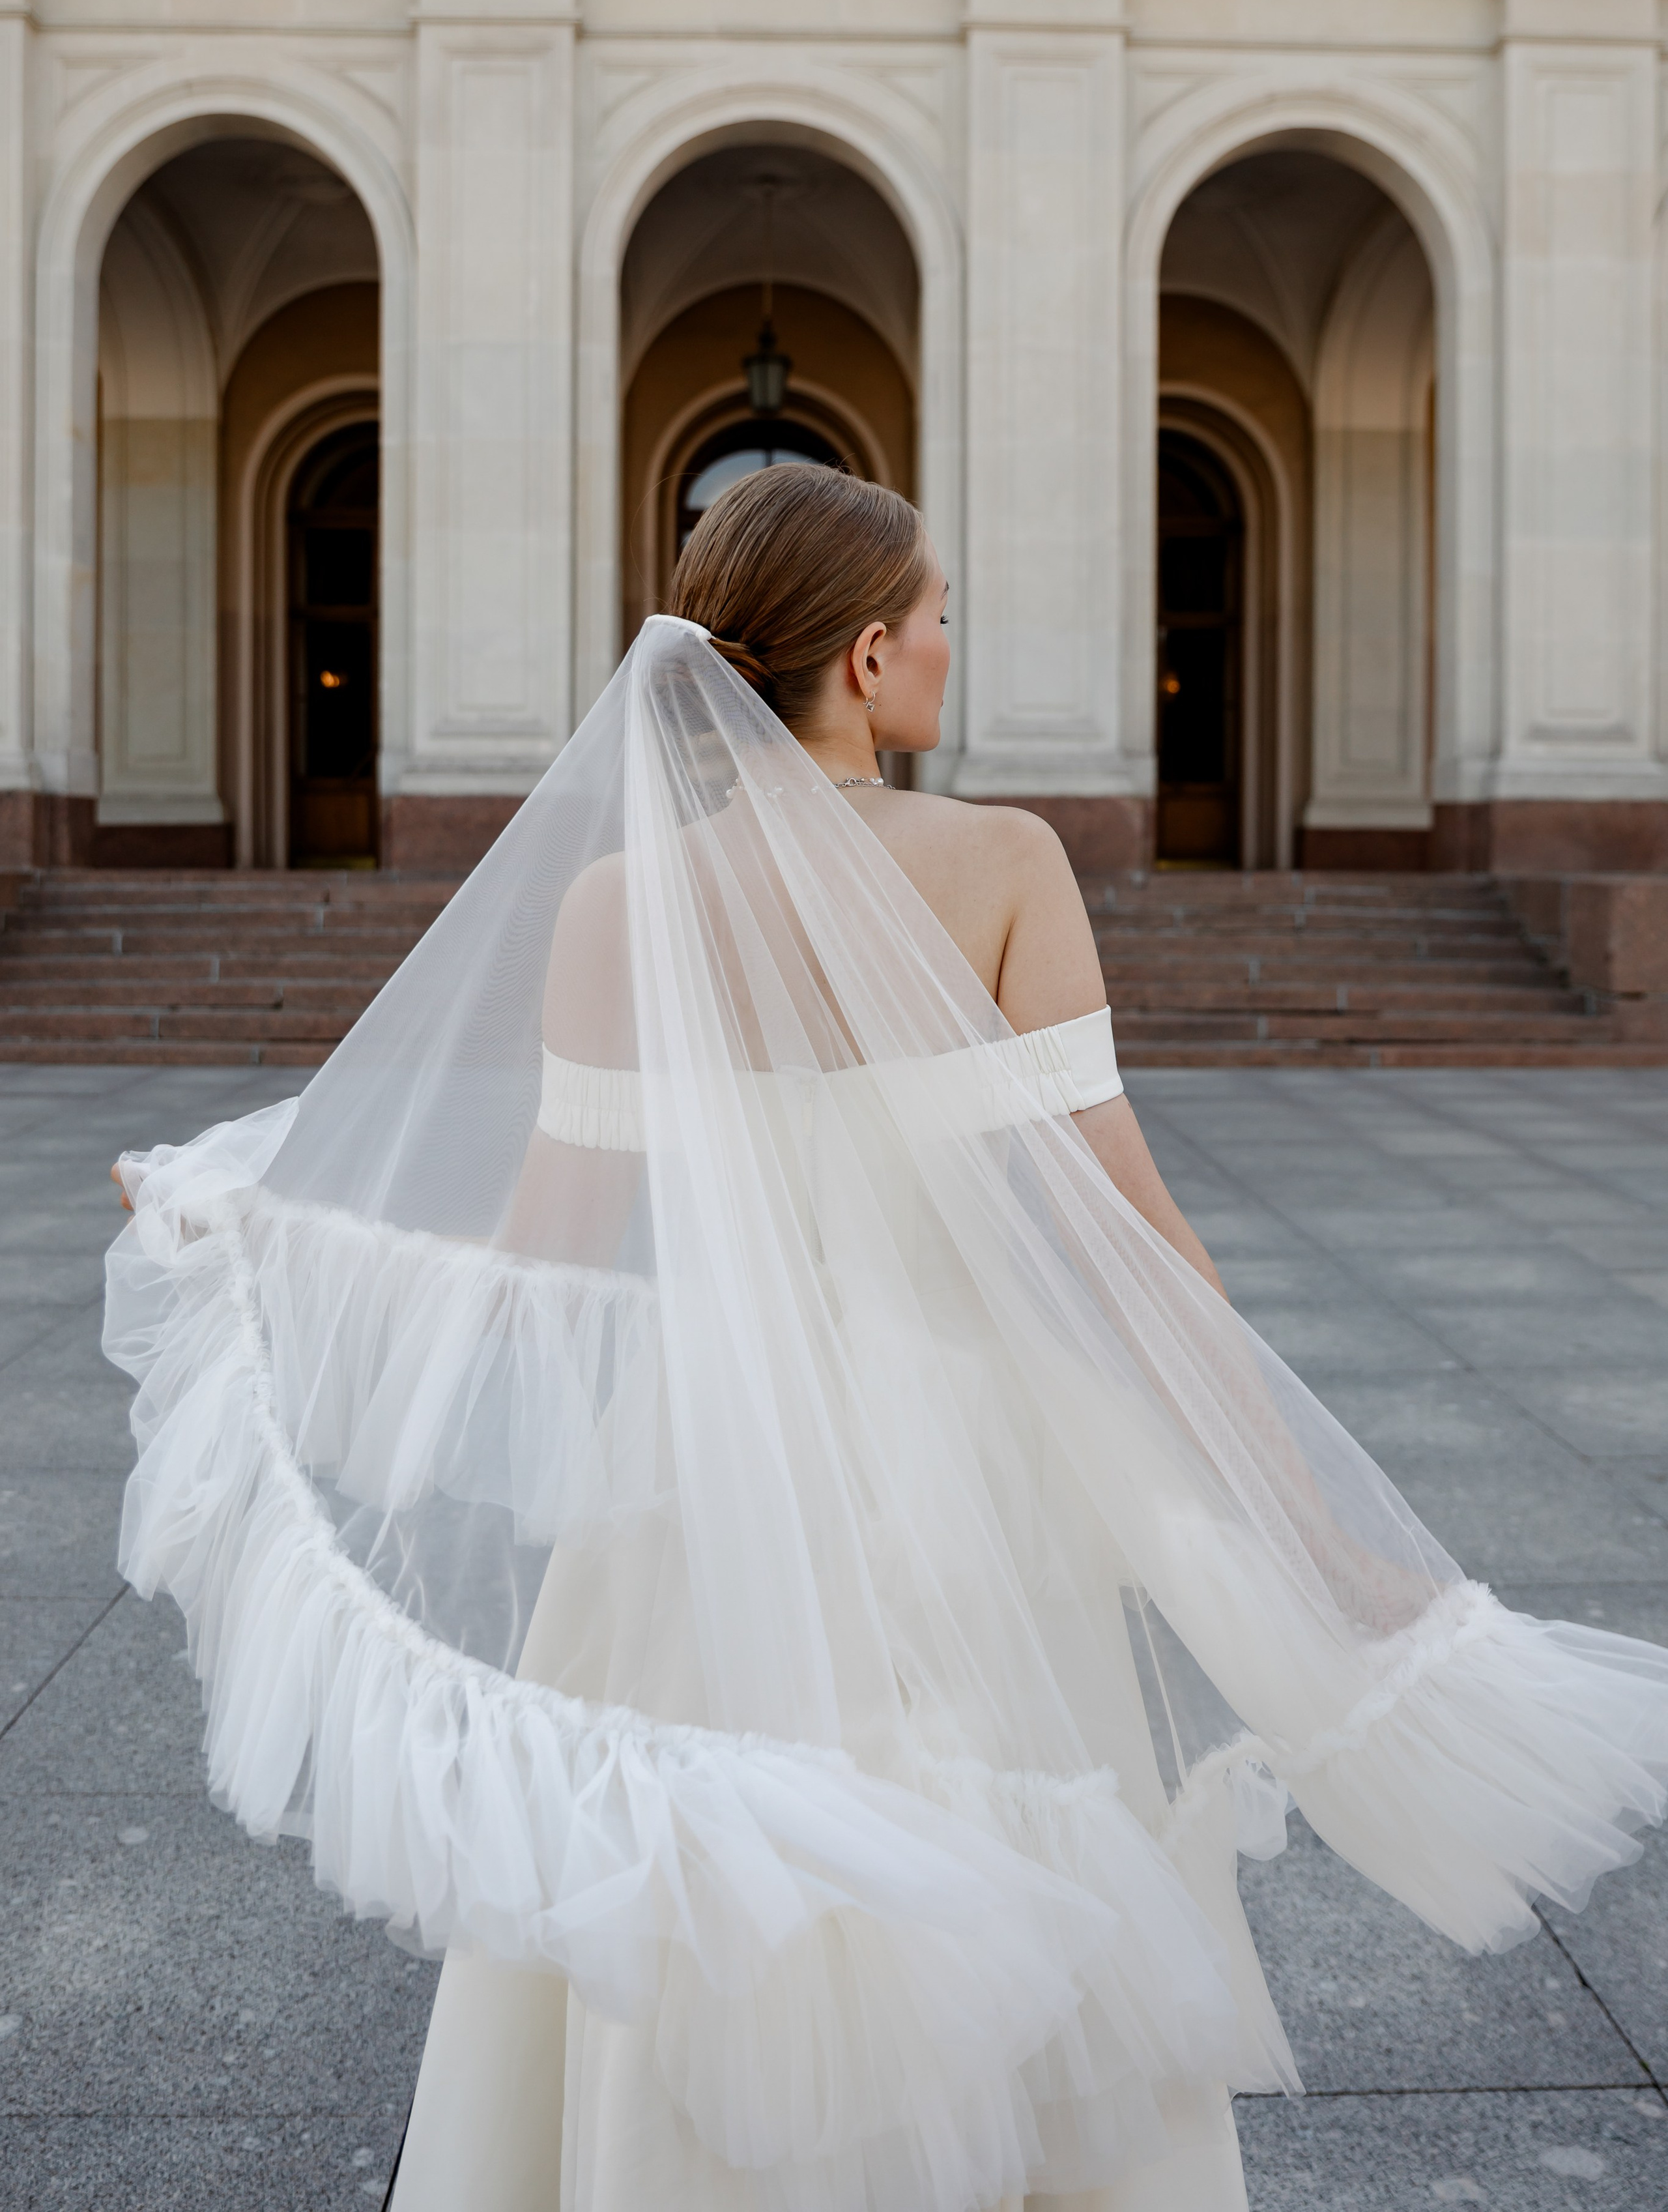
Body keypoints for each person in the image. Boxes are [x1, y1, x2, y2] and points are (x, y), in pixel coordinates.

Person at [106, 467, 1668, 2212]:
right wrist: (1311, 1539)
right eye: (935, 621)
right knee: (1023, 1871)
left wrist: (245, 1228)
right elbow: (1139, 1246)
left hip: (700, 1478)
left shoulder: (618, 907)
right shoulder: (1002, 862)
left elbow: (526, 1267)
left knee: (695, 1889)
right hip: (975, 1472)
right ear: (861, 659)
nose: (947, 650)